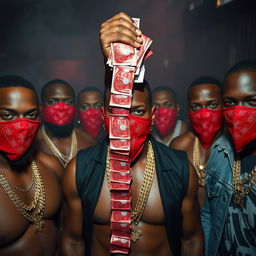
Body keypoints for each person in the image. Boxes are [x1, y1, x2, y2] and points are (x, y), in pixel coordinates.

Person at [61, 12, 204, 256]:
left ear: (153, 115)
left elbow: (191, 240)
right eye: (118, 111)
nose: (126, 122)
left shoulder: (180, 169)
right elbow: (73, 242)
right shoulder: (80, 169)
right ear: (104, 115)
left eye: (137, 111)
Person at [0, 75, 63, 255]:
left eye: (30, 115)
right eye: (8, 115)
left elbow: (67, 232)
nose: (23, 124)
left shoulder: (51, 166)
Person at [201, 60, 256, 256]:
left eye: (252, 102)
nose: (239, 112)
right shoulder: (220, 150)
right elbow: (208, 215)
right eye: (231, 103)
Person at [170, 77, 224, 205]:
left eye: (212, 105)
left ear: (224, 105)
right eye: (196, 106)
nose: (204, 113)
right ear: (188, 109)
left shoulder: (233, 148)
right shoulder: (179, 146)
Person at [37, 79, 96, 169]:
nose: (61, 108)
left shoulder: (88, 141)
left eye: (68, 102)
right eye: (52, 102)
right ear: (41, 108)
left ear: (75, 108)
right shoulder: (34, 143)